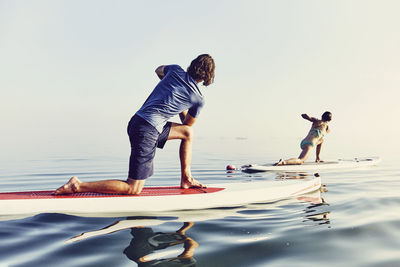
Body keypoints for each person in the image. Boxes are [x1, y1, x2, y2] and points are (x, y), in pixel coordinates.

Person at [55, 54, 215, 195]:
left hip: (137, 122)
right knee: (134, 188)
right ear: (208, 76)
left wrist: (168, 85)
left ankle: (186, 178)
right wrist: (183, 106)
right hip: (147, 130)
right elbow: (187, 123)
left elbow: (158, 70)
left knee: (187, 134)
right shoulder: (198, 99)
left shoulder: (175, 70)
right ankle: (78, 186)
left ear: (192, 65)